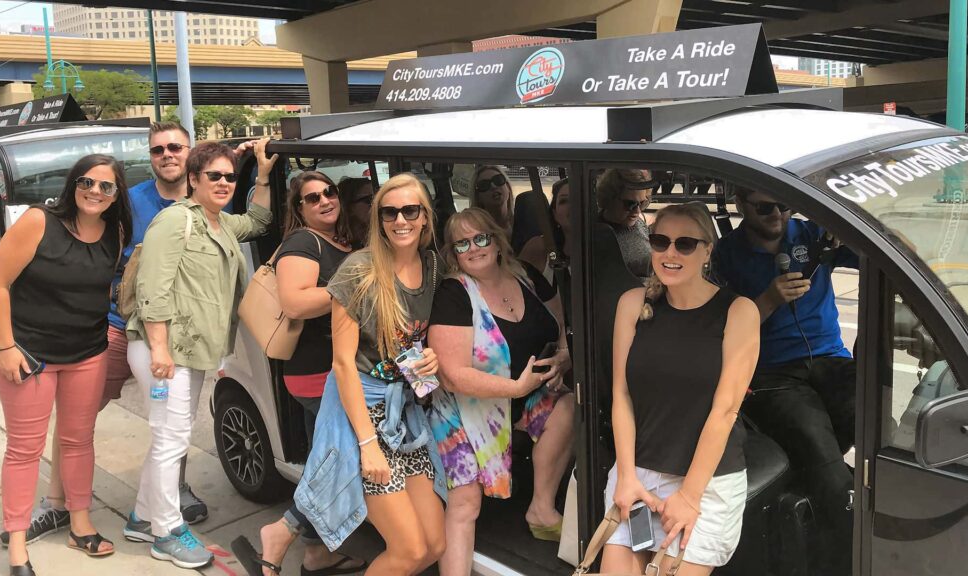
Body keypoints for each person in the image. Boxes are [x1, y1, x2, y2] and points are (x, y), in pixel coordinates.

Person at [0, 122, 205, 550]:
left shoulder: (206, 193)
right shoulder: (128, 201)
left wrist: (257, 176)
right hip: (113, 328)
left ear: (191, 152)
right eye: (157, 149)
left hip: (171, 332)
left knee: (173, 418)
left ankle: (169, 494)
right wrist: (5, 344)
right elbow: (0, 282)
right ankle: (58, 503)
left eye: (175, 147)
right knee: (79, 422)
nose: (167, 155)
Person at [126, 140, 275, 569]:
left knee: (169, 438)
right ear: (193, 180)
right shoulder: (175, 222)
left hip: (187, 352)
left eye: (230, 176)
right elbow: (151, 290)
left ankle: (141, 515)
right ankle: (166, 533)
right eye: (215, 175)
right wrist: (159, 350)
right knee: (171, 441)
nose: (225, 182)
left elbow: (259, 221)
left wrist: (261, 174)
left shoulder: (219, 223)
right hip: (165, 351)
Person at [0, 154, 134, 575]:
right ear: (73, 184)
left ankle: (80, 522)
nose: (95, 191)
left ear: (115, 195)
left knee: (78, 440)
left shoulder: (115, 232)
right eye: (87, 182)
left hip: (88, 353)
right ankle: (17, 544)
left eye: (106, 186)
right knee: (24, 449)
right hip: (30, 355)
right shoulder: (38, 222)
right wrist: (5, 346)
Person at [294, 173, 446, 576]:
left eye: (409, 210)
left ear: (425, 217)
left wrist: (430, 357)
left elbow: (418, 338)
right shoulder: (358, 271)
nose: (400, 220)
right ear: (378, 219)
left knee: (435, 543)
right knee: (410, 550)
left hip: (406, 411)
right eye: (389, 212)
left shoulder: (432, 265)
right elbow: (342, 363)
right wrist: (367, 445)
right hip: (364, 413)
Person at [603, 203, 760, 575]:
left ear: (707, 251)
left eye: (685, 244)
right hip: (638, 474)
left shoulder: (738, 312)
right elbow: (621, 395)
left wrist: (689, 496)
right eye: (660, 241)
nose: (670, 253)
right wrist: (625, 477)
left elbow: (725, 411)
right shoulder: (633, 303)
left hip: (705, 481)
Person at [713, 186, 859, 575]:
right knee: (826, 465)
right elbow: (722, 333)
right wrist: (768, 300)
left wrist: (847, 229)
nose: (778, 214)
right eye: (764, 207)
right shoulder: (727, 254)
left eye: (786, 205)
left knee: (883, 427)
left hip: (830, 358)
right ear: (741, 205)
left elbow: (874, 255)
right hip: (774, 372)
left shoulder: (811, 235)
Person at [231, 171, 366, 576]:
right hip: (318, 370)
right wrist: (362, 285)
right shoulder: (302, 242)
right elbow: (294, 303)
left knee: (323, 459)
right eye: (312, 198)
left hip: (337, 367)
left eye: (329, 192)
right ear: (300, 208)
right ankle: (281, 532)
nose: (324, 200)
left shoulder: (340, 239)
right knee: (347, 459)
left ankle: (317, 554)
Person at [427, 208, 575, 576]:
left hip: (523, 397)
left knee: (570, 406)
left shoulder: (526, 275)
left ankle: (541, 508)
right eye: (462, 243)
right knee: (465, 504)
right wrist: (515, 387)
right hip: (464, 410)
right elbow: (452, 376)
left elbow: (563, 329)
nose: (473, 248)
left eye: (481, 238)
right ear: (453, 251)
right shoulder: (453, 293)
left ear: (497, 240)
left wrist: (561, 360)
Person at [597, 168, 655, 282]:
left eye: (642, 203)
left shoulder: (636, 221)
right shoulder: (601, 234)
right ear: (610, 198)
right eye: (630, 204)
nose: (637, 211)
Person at [470, 165, 514, 236]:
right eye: (484, 185)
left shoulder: (524, 224)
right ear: (478, 197)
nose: (493, 186)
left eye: (498, 180)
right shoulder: (474, 232)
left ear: (508, 187)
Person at [338, 176, 376, 249]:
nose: (376, 204)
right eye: (370, 199)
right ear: (349, 207)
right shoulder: (343, 245)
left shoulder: (382, 232)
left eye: (377, 197)